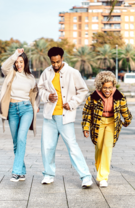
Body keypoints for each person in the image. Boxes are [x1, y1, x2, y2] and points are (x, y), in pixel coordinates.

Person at [38, 47, 93, 188]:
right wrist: (47, 96)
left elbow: (83, 90)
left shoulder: (73, 73)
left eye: (58, 61)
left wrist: (73, 103)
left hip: (65, 116)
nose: (55, 65)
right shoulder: (46, 72)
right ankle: (48, 175)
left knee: (72, 147)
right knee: (47, 147)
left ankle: (86, 177)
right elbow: (40, 90)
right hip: (49, 117)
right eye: (53, 62)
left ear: (62, 58)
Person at [82, 71, 132, 188]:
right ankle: (100, 170)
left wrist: (127, 121)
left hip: (112, 123)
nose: (108, 90)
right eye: (105, 88)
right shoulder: (93, 97)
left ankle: (103, 177)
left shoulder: (119, 96)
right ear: (100, 87)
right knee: (99, 147)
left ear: (113, 86)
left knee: (107, 148)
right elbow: (87, 112)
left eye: (110, 87)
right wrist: (85, 127)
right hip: (98, 123)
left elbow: (124, 110)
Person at [0, 48, 39, 182]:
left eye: (21, 62)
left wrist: (36, 106)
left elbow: (36, 94)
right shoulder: (10, 73)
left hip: (26, 109)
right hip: (12, 109)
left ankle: (15, 172)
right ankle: (22, 171)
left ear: (25, 62)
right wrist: (15, 54)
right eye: (17, 62)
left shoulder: (31, 78)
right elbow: (4, 66)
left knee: (22, 138)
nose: (18, 64)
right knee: (16, 142)